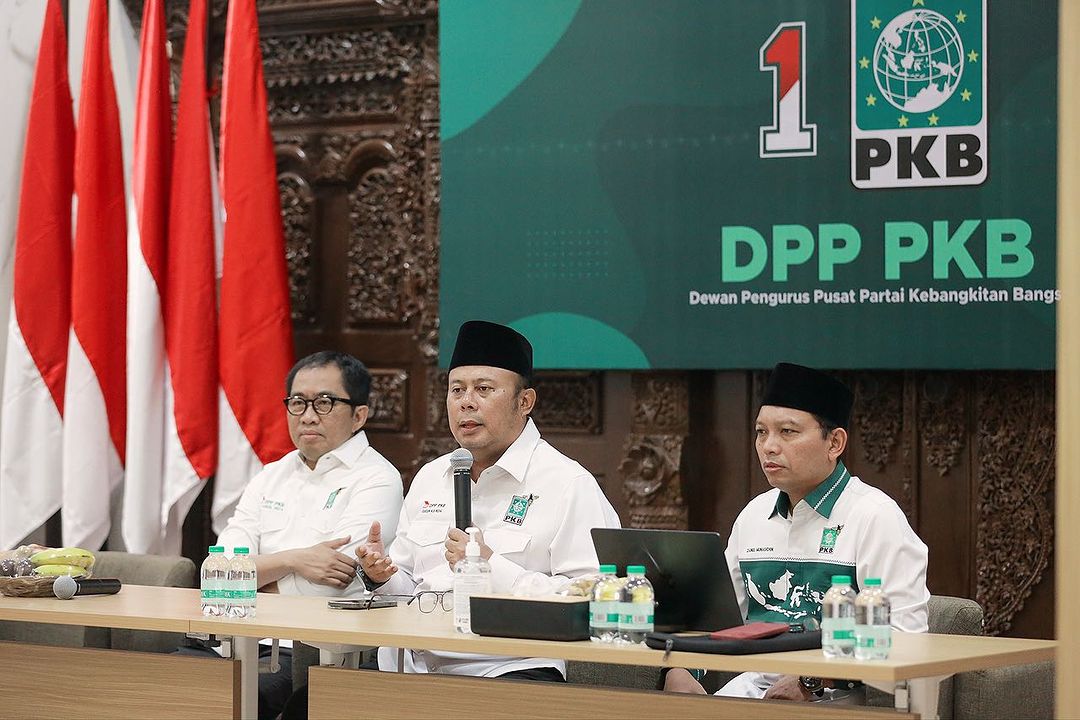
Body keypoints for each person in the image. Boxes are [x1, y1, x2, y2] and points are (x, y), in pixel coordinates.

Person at [357, 320, 620, 679]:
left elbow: (596, 600)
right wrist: (382, 575)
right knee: (307, 700)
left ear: (524, 402)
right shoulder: (431, 476)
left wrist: (490, 566)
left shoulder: (568, 484)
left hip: (508, 669)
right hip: (410, 667)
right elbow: (410, 587)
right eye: (457, 390)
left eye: (483, 389)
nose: (466, 402)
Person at [664, 362, 929, 701]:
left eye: (787, 432)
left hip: (841, 694)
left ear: (834, 443)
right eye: (761, 432)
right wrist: (682, 669)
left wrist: (810, 680)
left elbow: (907, 640)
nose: (769, 446)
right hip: (757, 687)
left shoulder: (875, 516)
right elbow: (716, 618)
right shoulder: (754, 516)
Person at [182, 351, 403, 720]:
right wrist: (294, 561)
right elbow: (217, 572)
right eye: (298, 402)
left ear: (359, 415)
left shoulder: (377, 478)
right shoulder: (271, 475)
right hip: (228, 641)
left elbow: (333, 585)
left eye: (324, 402)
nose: (308, 415)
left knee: (216, 701)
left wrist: (253, 579)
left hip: (300, 653)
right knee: (154, 685)